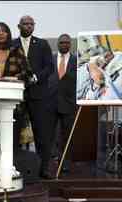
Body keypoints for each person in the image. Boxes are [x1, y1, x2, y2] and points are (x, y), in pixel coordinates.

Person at [13, 15, 54, 179]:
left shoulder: (42, 44)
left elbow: (49, 67)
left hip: (38, 95)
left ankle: (44, 169)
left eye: (31, 24)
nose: (28, 26)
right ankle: (13, 167)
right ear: (19, 26)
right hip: (17, 95)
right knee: (14, 132)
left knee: (42, 134)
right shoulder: (12, 44)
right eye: (25, 24)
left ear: (34, 26)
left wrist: (36, 77)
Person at [48, 34, 77, 173]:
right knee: (52, 135)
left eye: (67, 42)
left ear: (70, 44)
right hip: (51, 102)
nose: (64, 45)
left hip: (69, 103)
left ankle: (65, 162)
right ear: (58, 44)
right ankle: (54, 161)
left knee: (67, 135)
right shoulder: (50, 59)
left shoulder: (77, 61)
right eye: (61, 42)